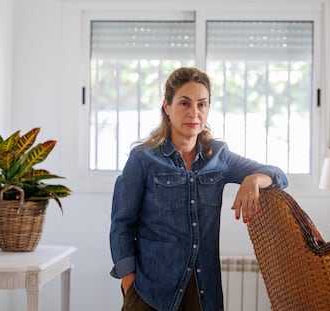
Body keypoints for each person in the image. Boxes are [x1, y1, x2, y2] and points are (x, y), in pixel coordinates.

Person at [110, 67, 288, 311]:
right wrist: (130, 285)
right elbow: (122, 225)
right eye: (184, 103)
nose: (194, 112)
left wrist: (254, 180)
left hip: (204, 293)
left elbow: (278, 174)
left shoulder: (219, 157)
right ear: (167, 107)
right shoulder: (143, 159)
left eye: (202, 104)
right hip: (151, 293)